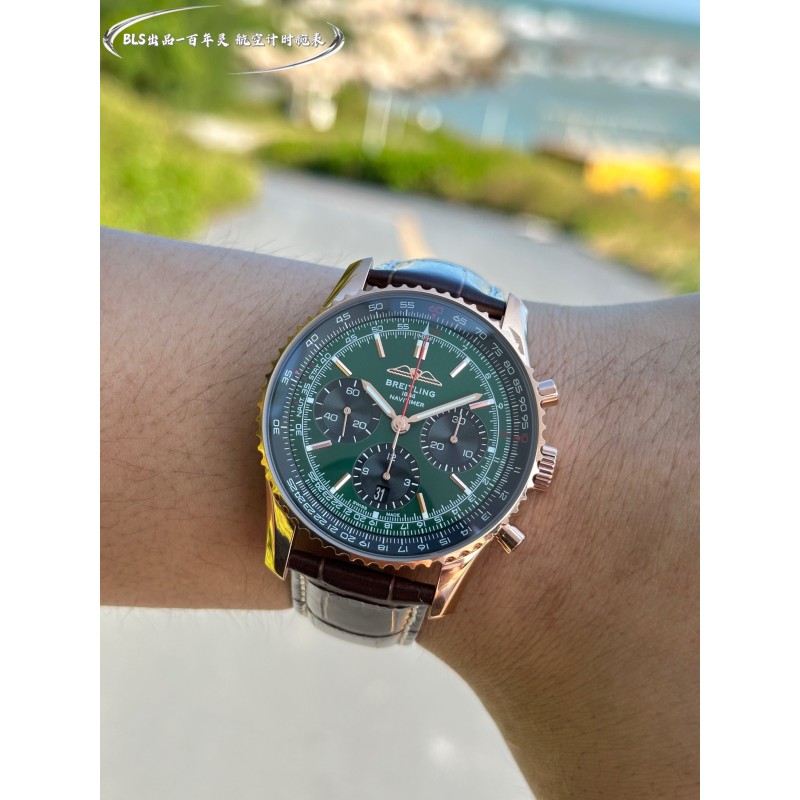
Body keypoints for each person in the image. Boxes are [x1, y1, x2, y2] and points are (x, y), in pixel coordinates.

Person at [101, 227, 699, 800]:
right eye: (395, 417)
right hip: (319, 515)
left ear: (536, 465)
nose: (401, 423)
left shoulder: (501, 443)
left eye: (418, 422)